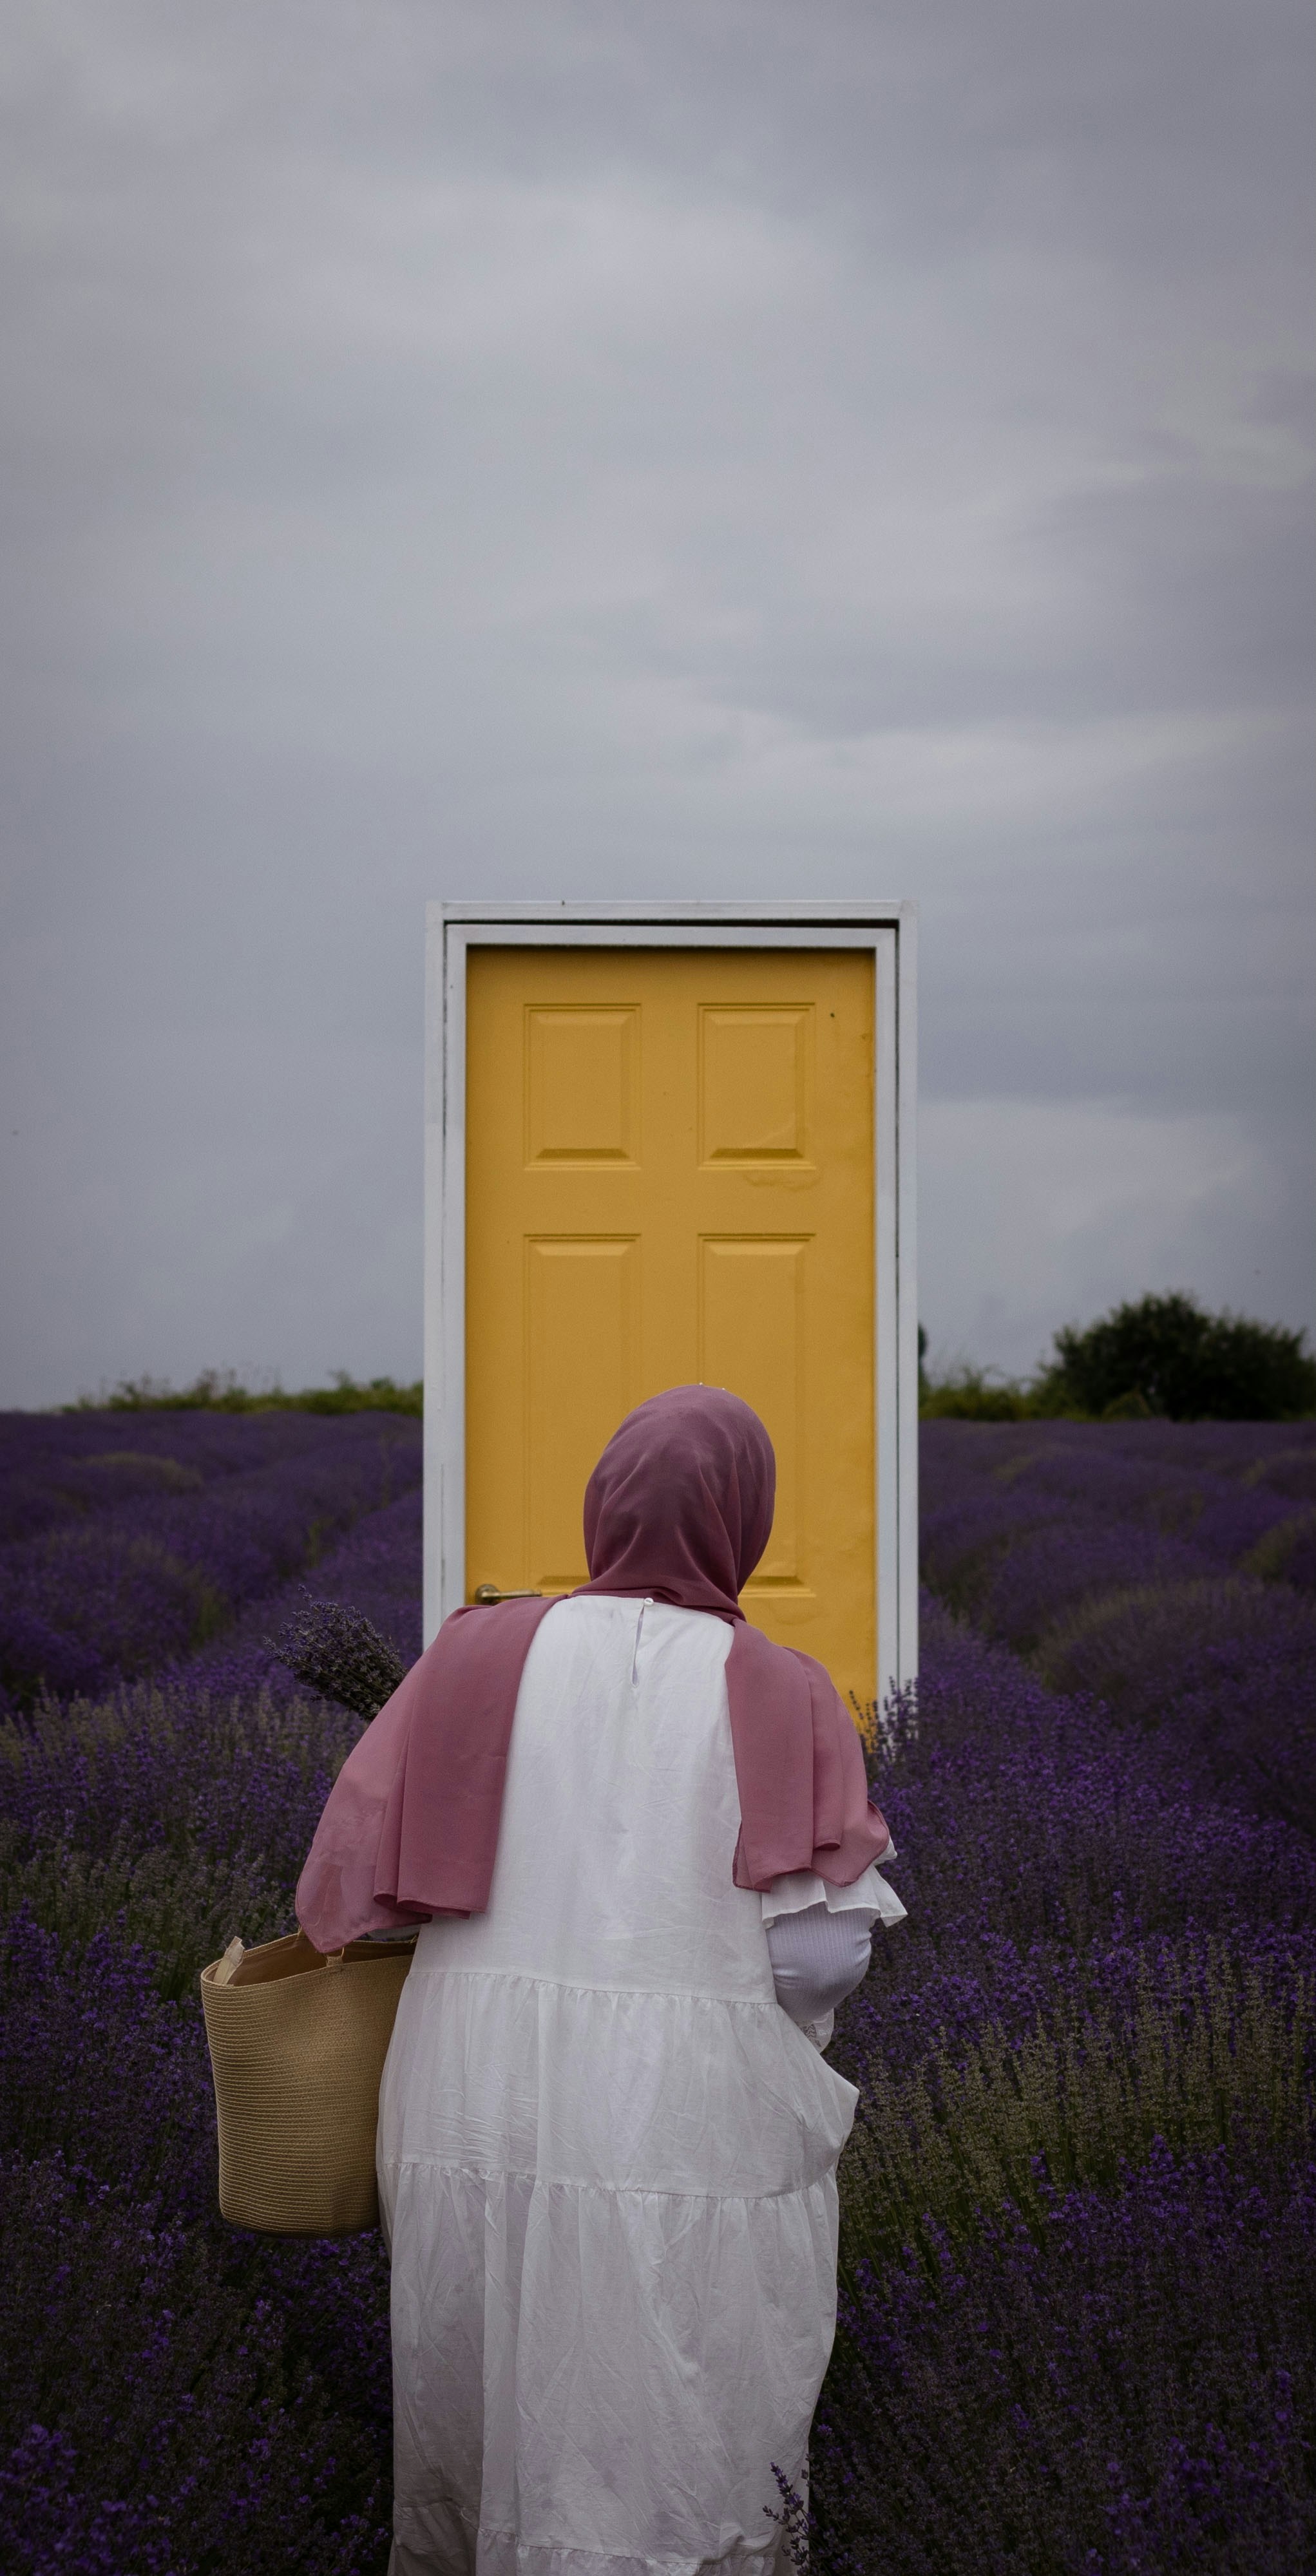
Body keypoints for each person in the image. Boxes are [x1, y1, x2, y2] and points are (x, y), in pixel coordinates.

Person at [298, 1385, 906, 2576]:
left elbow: (342, 1884)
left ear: (605, 1505)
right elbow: (817, 1953)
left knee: (483, 2370)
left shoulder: (476, 1651)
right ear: (746, 1518)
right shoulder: (777, 1687)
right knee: (667, 2401)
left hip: (473, 2085)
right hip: (680, 2111)